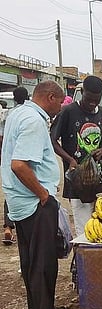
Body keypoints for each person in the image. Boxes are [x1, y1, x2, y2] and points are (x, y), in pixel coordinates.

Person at [1, 80, 75, 309]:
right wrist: (43, 194)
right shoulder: (33, 121)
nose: (60, 109)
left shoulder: (18, 113)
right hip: (34, 202)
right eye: (60, 103)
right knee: (44, 262)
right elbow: (19, 165)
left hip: (20, 202)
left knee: (32, 260)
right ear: (51, 97)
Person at [50, 75, 102, 236]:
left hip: (98, 179)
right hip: (77, 180)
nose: (92, 103)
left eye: (96, 100)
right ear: (82, 92)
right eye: (89, 99)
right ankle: (81, 260)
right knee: (83, 226)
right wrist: (70, 159)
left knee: (101, 222)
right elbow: (52, 141)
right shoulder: (68, 112)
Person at [1, 86, 29, 245]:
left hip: (8, 157)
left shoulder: (10, 114)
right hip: (22, 161)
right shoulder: (28, 115)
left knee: (10, 194)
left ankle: (8, 228)